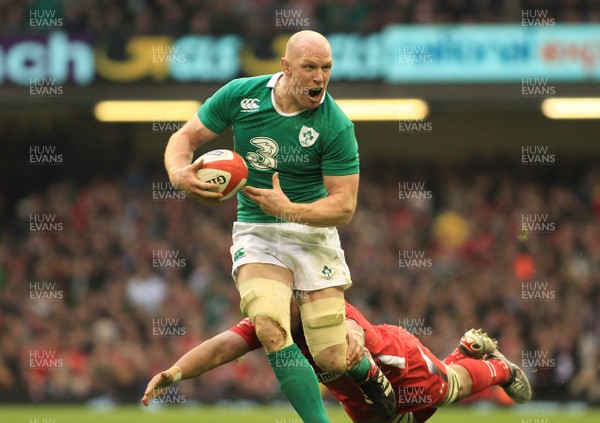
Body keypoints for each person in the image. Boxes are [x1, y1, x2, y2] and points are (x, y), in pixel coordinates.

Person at [163, 30, 394, 422]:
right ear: (285, 68)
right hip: (257, 232)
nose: (319, 78)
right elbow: (184, 138)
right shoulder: (240, 95)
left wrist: (290, 209)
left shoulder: (336, 125)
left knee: (331, 358)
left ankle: (365, 370)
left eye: (326, 68)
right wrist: (177, 174)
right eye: (309, 67)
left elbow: (344, 206)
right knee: (270, 326)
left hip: (313, 234)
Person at [142, 301, 532, 422]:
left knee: (451, 387)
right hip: (355, 396)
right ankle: (465, 352)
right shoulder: (270, 319)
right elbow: (221, 346)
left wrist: (358, 355)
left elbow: (353, 329)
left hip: (396, 365)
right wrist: (175, 372)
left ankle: (501, 368)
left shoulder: (319, 303)